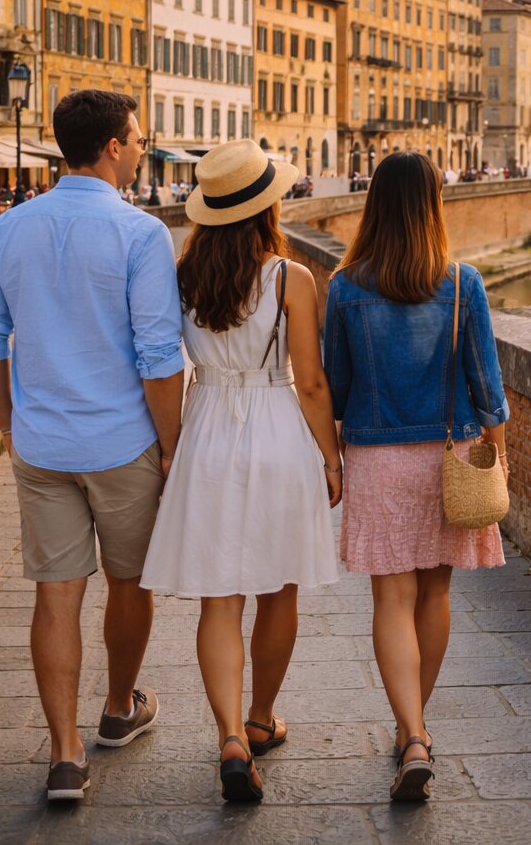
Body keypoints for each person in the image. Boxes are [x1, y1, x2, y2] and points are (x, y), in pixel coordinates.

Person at [0, 90, 182, 802]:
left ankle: (64, 758)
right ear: (115, 148)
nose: (143, 149)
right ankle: (119, 710)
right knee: (130, 581)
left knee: (55, 594)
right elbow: (159, 355)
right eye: (140, 140)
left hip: (42, 442)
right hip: (123, 440)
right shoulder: (142, 234)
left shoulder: (8, 229)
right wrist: (172, 443)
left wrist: (7, 423)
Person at [140, 140, 343, 803]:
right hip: (277, 429)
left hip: (206, 432)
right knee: (278, 587)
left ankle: (228, 734)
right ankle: (260, 718)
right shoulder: (291, 278)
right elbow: (310, 382)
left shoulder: (182, 276)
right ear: (267, 206)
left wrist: (170, 447)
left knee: (218, 597)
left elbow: (164, 364)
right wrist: (331, 457)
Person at [323, 152, 510, 803]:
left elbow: (335, 388)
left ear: (375, 203)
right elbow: (488, 389)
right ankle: (415, 732)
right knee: (434, 598)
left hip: (377, 460)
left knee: (391, 603)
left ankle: (410, 732)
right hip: (449, 461)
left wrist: (330, 455)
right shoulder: (463, 283)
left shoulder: (346, 288)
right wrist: (500, 455)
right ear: (433, 205)